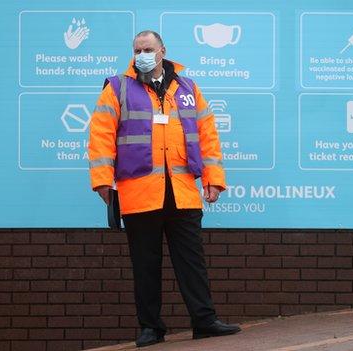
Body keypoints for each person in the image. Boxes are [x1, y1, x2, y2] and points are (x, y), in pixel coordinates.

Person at [87, 30, 241, 347]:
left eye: (147, 49)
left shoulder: (187, 88)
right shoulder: (117, 87)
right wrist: (102, 179)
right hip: (139, 193)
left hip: (182, 190)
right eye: (137, 49)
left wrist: (214, 177)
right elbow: (101, 134)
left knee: (192, 262)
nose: (141, 54)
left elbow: (208, 135)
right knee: (145, 265)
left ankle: (204, 320)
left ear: (162, 51)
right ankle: (151, 328)